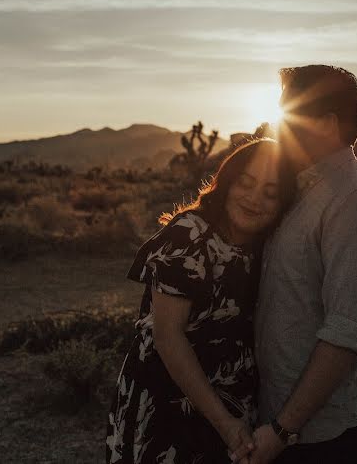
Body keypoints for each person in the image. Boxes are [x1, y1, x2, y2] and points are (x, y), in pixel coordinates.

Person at [237, 65, 357, 464]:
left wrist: (282, 431)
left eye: (289, 114)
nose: (277, 124)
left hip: (338, 429)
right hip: (298, 423)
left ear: (326, 124)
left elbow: (347, 332)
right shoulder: (305, 188)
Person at [106, 139, 295, 463]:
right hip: (169, 402)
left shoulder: (262, 248)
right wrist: (226, 424)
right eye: (246, 184)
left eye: (270, 192)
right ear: (227, 182)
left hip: (233, 406)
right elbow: (168, 336)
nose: (254, 199)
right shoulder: (190, 235)